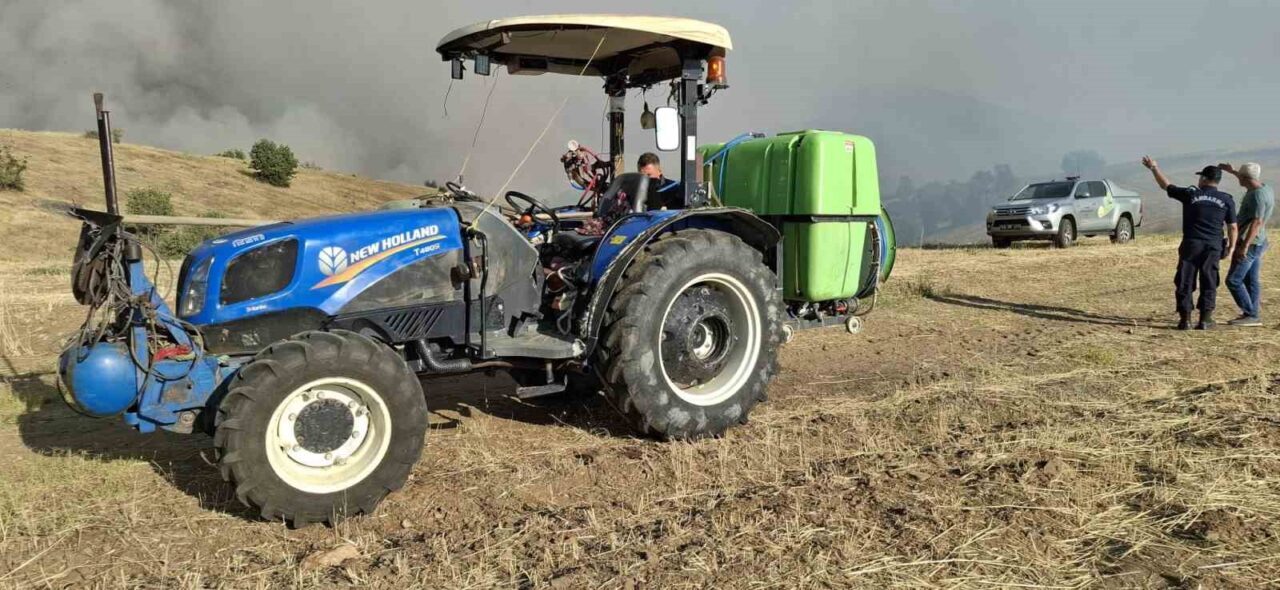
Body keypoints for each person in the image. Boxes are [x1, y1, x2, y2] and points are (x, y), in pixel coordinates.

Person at [1142, 157, 1238, 330]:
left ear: (1203, 179)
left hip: (1191, 245)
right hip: (1213, 246)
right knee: (1209, 280)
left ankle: (1185, 319)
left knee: (1185, 280)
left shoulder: (1191, 194)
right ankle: (1205, 320)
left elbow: (1166, 186)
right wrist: (1231, 248)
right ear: (1217, 181)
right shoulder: (1226, 199)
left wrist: (1154, 168)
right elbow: (1232, 227)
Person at [1218, 162, 1274, 326]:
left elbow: (1257, 222)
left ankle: (1251, 315)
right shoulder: (1264, 188)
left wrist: (1243, 247)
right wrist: (1233, 171)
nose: (1238, 180)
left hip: (1251, 242)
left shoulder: (1257, 196)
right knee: (1251, 279)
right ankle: (1252, 313)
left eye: (1240, 177)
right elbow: (1248, 181)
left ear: (1245, 178)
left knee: (1233, 281)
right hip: (1260, 241)